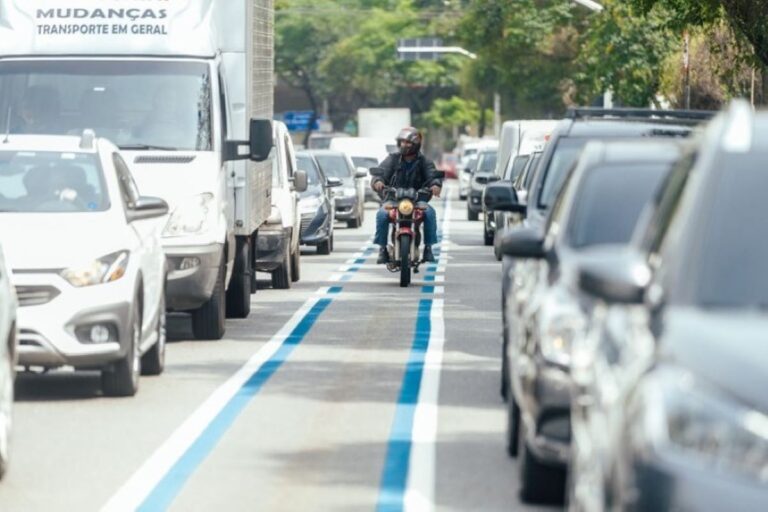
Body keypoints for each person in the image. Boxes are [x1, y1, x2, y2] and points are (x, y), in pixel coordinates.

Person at [371, 127, 442, 264]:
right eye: (402, 142)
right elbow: (380, 173)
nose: (404, 145)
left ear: (416, 144)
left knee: (430, 213)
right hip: (393, 200)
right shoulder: (392, 159)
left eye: (408, 142)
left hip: (418, 200)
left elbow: (433, 175)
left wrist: (436, 185)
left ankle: (428, 248)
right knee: (381, 214)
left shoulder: (424, 161)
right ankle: (382, 249)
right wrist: (378, 181)